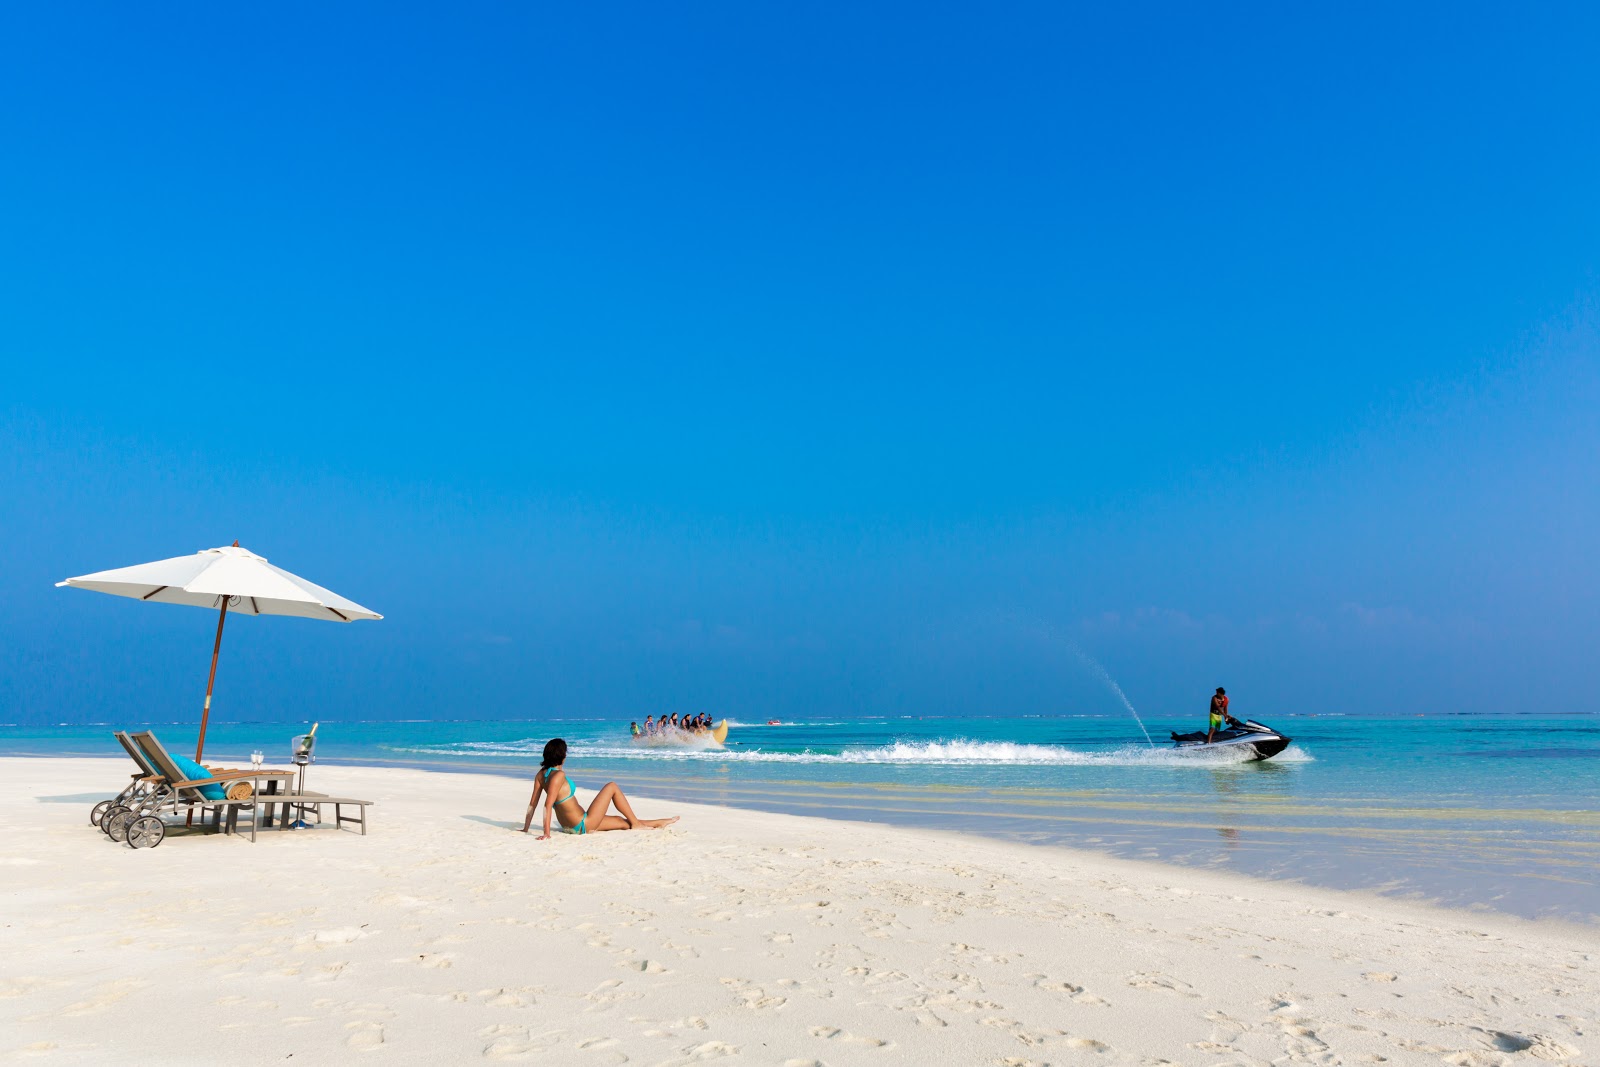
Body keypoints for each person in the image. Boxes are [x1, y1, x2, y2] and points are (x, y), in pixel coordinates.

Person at [522, 738, 679, 838]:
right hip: (582, 824)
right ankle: (638, 824)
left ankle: (660, 822)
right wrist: (547, 834)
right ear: (562, 755)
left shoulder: (542, 775)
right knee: (612, 786)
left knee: (621, 822)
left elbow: (532, 804)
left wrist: (525, 828)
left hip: (569, 827)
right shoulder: (559, 777)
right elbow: (547, 805)